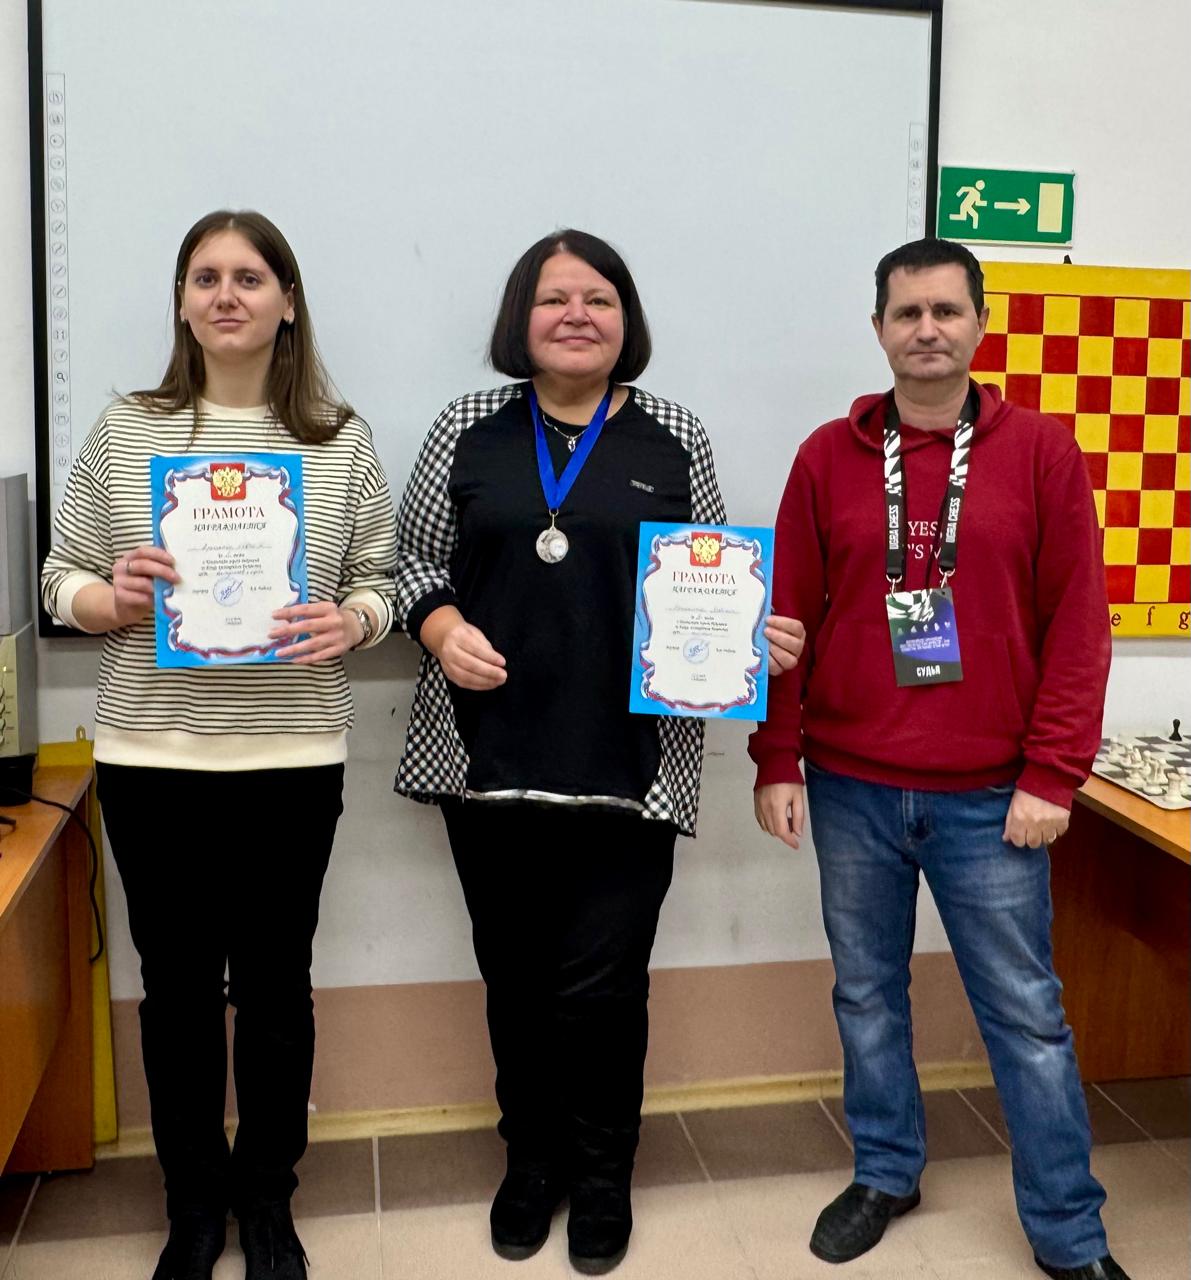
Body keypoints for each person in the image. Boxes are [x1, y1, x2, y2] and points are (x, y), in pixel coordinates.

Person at [394, 229, 803, 1274]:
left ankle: (603, 1170)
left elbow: (707, 573)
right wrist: (439, 627)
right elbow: (410, 564)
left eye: (599, 298)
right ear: (518, 319)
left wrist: (746, 634)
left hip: (630, 768)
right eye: (553, 298)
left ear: (627, 320)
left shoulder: (675, 434)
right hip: (488, 764)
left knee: (604, 989)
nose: (576, 314)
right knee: (515, 980)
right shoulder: (466, 428)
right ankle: (531, 1161)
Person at [750, 238, 1128, 1280]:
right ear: (878, 327)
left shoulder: (1042, 451)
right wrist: (775, 755)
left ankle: (1068, 1231)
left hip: (993, 797)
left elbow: (1078, 625)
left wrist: (1053, 774)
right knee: (866, 995)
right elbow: (788, 617)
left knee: (1027, 1017)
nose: (926, 329)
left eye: (946, 311)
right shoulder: (827, 455)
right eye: (907, 312)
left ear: (979, 323)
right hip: (851, 784)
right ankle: (885, 1171)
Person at [41, 210, 398, 1280]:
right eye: (206, 277)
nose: (227, 294)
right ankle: (194, 1201)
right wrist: (111, 598)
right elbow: (59, 578)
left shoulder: (338, 438)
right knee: (179, 994)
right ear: (183, 302)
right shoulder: (127, 429)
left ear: (287, 302)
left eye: (249, 276)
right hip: (154, 759)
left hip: (291, 758)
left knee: (279, 991)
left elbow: (380, 579)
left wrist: (354, 623)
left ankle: (268, 1196)